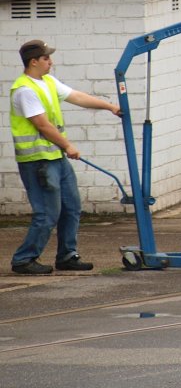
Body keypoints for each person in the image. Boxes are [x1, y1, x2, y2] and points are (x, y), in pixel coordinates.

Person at [9, 39, 122, 275]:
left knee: (71, 207)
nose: (51, 61)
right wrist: (68, 145)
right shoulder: (25, 90)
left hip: (56, 158)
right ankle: (24, 259)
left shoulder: (47, 82)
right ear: (34, 62)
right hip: (38, 161)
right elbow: (42, 125)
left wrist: (110, 106)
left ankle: (67, 255)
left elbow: (77, 97)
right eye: (46, 58)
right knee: (47, 213)